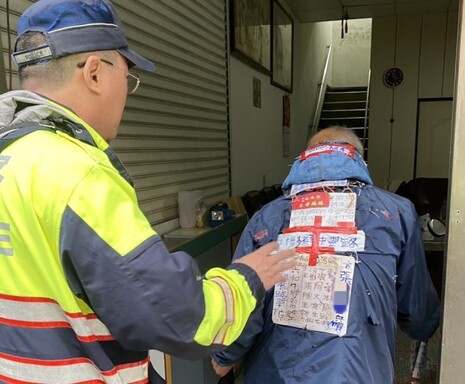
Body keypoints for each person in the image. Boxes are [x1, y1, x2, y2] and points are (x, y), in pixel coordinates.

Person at [0, 1, 295, 383]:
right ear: (94, 73)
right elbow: (183, 320)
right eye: (128, 76)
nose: (129, 92)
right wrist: (247, 279)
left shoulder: (12, 156)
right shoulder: (77, 174)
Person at [211, 126, 441, 383]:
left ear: (306, 158)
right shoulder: (395, 214)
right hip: (358, 373)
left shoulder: (266, 217)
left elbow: (245, 296)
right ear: (357, 159)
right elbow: (417, 305)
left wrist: (225, 355)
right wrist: (425, 326)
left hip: (275, 372)